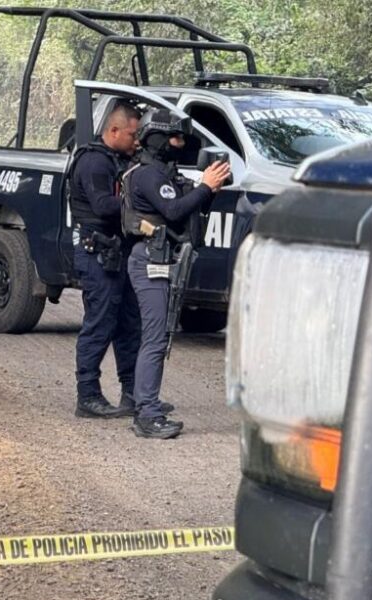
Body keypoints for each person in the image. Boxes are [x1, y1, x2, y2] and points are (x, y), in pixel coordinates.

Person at [122, 109, 230, 439]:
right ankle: (147, 414)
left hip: (163, 259)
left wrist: (206, 190)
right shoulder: (148, 175)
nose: (179, 143)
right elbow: (173, 210)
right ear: (156, 137)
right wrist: (205, 188)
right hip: (150, 260)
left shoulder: (163, 173)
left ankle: (146, 402)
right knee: (155, 338)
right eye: (174, 136)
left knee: (159, 337)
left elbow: (186, 214)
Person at [68, 102, 148, 419]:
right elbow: (102, 205)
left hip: (119, 252)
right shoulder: (93, 162)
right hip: (97, 252)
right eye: (132, 134)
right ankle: (87, 396)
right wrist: (141, 201)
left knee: (129, 325)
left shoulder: (121, 159)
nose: (136, 140)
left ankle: (132, 393)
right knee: (99, 324)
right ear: (113, 131)